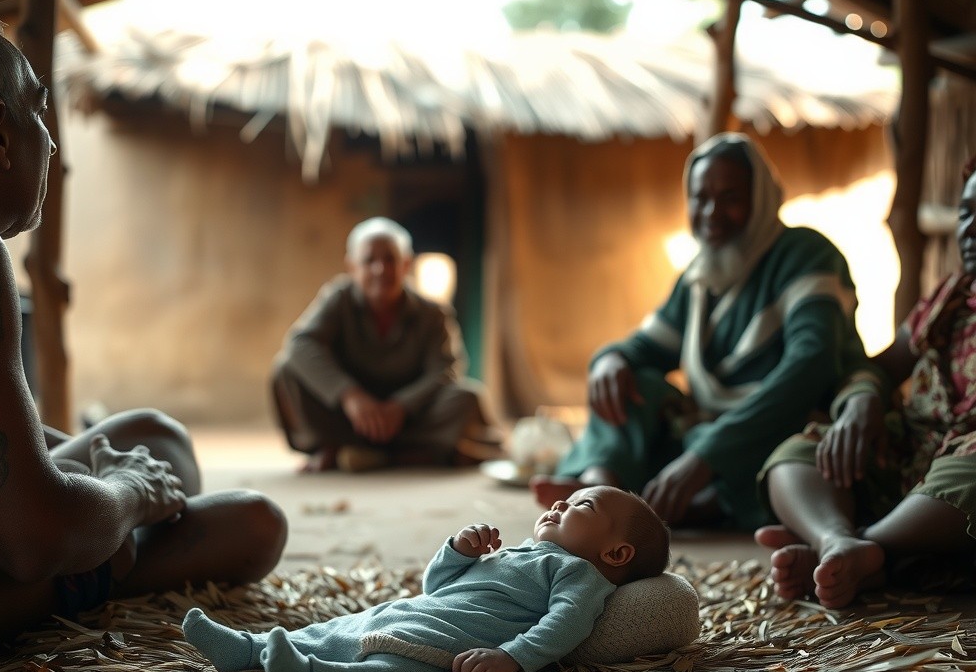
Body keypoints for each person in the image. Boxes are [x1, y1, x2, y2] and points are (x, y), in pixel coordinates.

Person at [0, 6, 288, 667]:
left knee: (153, 437)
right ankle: (111, 548)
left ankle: (105, 531)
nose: (49, 141)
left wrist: (94, 478)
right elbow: (29, 540)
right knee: (252, 525)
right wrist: (128, 499)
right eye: (39, 112)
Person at [531, 132, 869, 531]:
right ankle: (601, 488)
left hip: (777, 424)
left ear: (760, 198)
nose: (711, 212)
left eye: (730, 198)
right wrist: (611, 359)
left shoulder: (804, 253)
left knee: (793, 453)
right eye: (700, 197)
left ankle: (702, 501)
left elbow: (812, 365)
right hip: (709, 430)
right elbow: (645, 349)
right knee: (635, 382)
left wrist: (708, 456)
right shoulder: (699, 277)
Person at [183, 484, 670, 672]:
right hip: (420, 609)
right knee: (341, 626)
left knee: (389, 670)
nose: (561, 502)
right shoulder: (521, 552)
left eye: (581, 506)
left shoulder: (578, 576)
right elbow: (437, 584)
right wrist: (459, 550)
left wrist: (513, 657)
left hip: (448, 640)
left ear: (616, 554)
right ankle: (246, 649)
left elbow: (566, 623)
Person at [755, 154, 976, 608]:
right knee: (799, 453)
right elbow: (879, 367)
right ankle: (839, 542)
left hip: (959, 485)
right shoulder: (950, 296)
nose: (970, 230)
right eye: (967, 212)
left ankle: (864, 546)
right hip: (910, 460)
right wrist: (861, 401)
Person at [270, 216, 500, 472]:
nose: (380, 269)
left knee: (467, 396)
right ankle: (339, 448)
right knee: (286, 371)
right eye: (369, 261)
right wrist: (350, 396)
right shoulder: (338, 298)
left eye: (390, 259)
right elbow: (300, 345)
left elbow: (446, 369)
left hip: (410, 420)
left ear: (406, 265)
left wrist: (401, 406)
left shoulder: (432, 313)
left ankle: (376, 454)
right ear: (351, 267)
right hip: (350, 420)